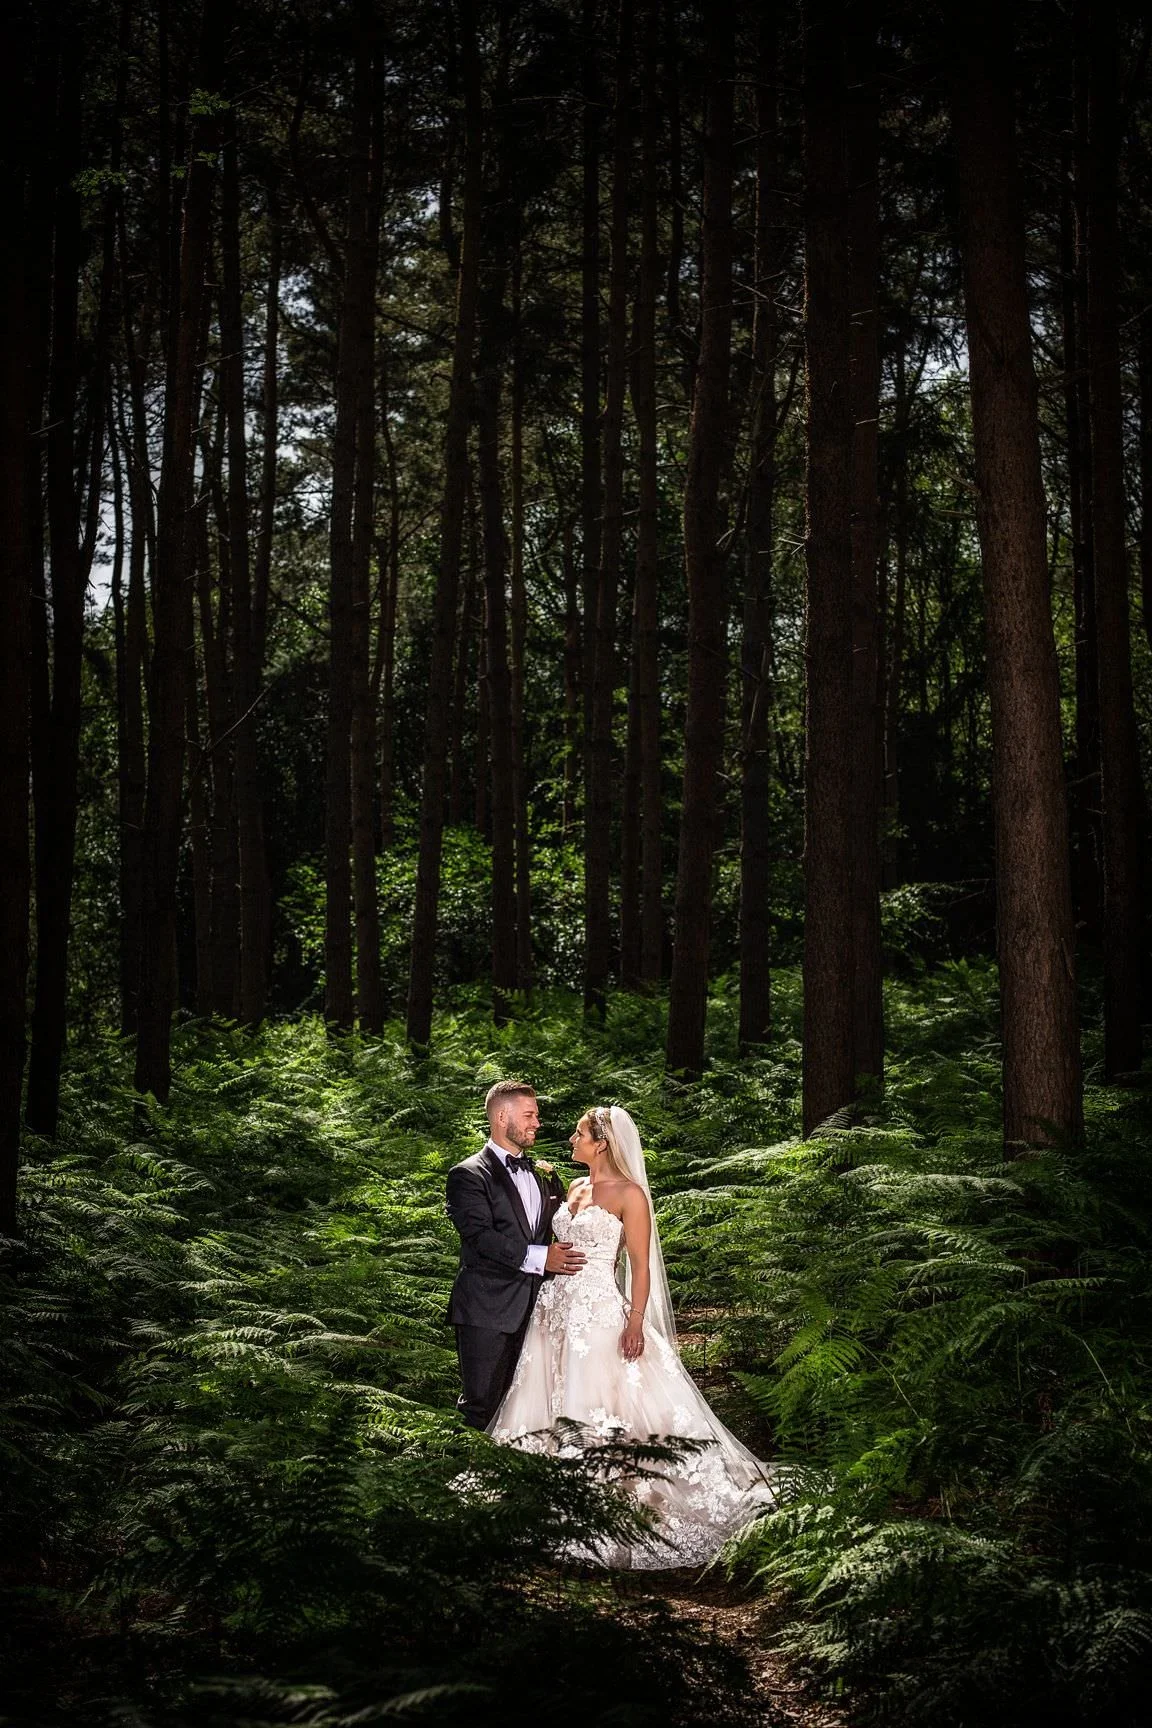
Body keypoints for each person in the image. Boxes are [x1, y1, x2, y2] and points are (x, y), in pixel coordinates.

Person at [487, 1104, 777, 1568]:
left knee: (603, 1398)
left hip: (599, 1310)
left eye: (580, 1133)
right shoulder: (573, 1186)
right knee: (546, 1393)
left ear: (601, 1142)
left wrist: (636, 1320)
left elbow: (639, 1266)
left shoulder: (630, 1195)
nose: (571, 1140)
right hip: (554, 1311)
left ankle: (606, 1490)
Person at [446, 1080, 586, 1429]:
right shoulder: (467, 1174)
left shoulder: (545, 1173)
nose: (537, 1123)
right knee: (483, 1405)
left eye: (536, 1115)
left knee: (533, 1407)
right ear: (501, 1116)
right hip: (487, 1309)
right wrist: (542, 1258)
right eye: (529, 1115)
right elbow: (480, 1237)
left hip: (542, 1311)